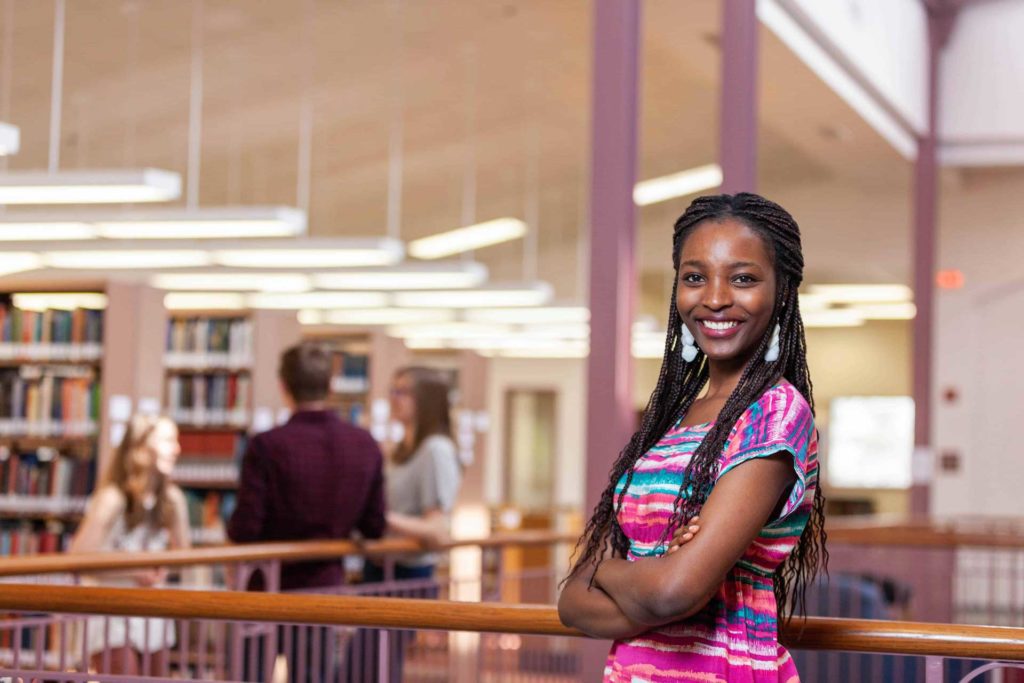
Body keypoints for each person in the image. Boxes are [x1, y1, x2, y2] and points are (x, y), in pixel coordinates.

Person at [558, 193, 827, 682]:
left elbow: (674, 592)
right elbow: (571, 603)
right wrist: (655, 574)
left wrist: (609, 573)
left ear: (782, 291)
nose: (716, 297)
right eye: (695, 277)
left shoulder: (774, 412)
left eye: (743, 278)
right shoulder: (675, 415)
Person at [227, 341, 387, 590]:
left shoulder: (266, 446)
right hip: (330, 585)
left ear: (283, 386)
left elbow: (245, 528)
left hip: (272, 589)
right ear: (331, 385)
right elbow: (374, 526)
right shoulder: (365, 444)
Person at [350, 366, 461, 683]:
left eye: (403, 392)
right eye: (393, 390)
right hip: (380, 569)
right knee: (369, 665)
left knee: (371, 665)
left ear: (425, 400)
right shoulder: (400, 449)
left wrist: (382, 518)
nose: (394, 399)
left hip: (406, 574)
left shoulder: (435, 450)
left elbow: (438, 529)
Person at [69, 414, 191, 675]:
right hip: (113, 613)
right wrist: (134, 571)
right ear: (140, 448)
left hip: (153, 613)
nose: (177, 449)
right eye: (168, 440)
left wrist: (162, 568)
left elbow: (184, 559)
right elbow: (78, 557)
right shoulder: (112, 499)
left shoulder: (169, 500)